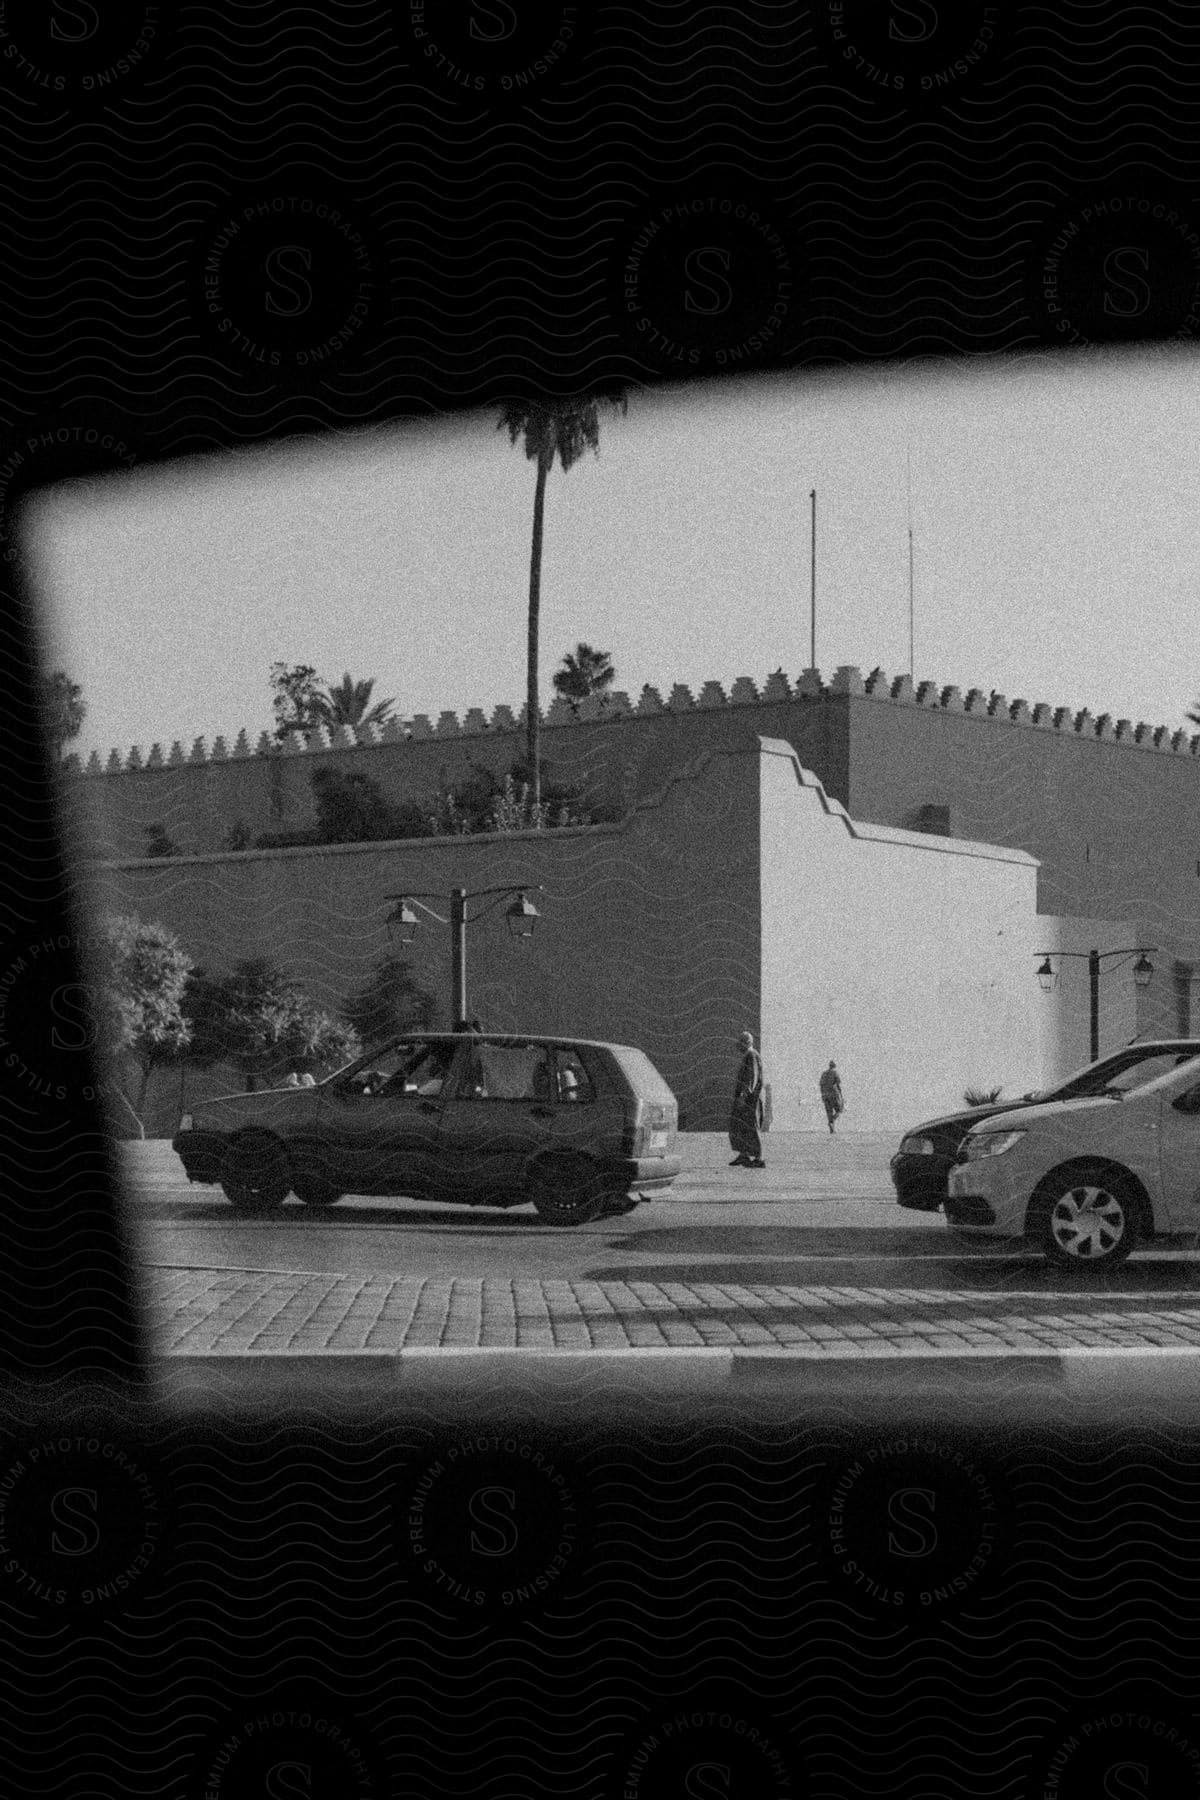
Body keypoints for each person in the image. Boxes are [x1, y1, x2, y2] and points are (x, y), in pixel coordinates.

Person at [729, 1030, 766, 1168]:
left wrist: (744, 1095)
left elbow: (752, 1077)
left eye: (741, 1042)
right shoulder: (748, 1055)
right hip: (746, 1097)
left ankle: (759, 1157)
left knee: (752, 1126)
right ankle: (743, 1155)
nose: (738, 1045)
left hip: (750, 1099)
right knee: (741, 1126)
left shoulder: (752, 1055)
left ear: (747, 1043)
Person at [819, 1060, 844, 1134]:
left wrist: (822, 1095)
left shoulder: (824, 1074)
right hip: (833, 1094)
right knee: (839, 1110)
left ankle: (832, 1130)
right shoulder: (835, 1073)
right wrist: (841, 1095)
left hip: (825, 1094)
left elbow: (821, 1085)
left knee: (829, 1112)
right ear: (834, 1066)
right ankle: (832, 1121)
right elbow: (838, 1084)